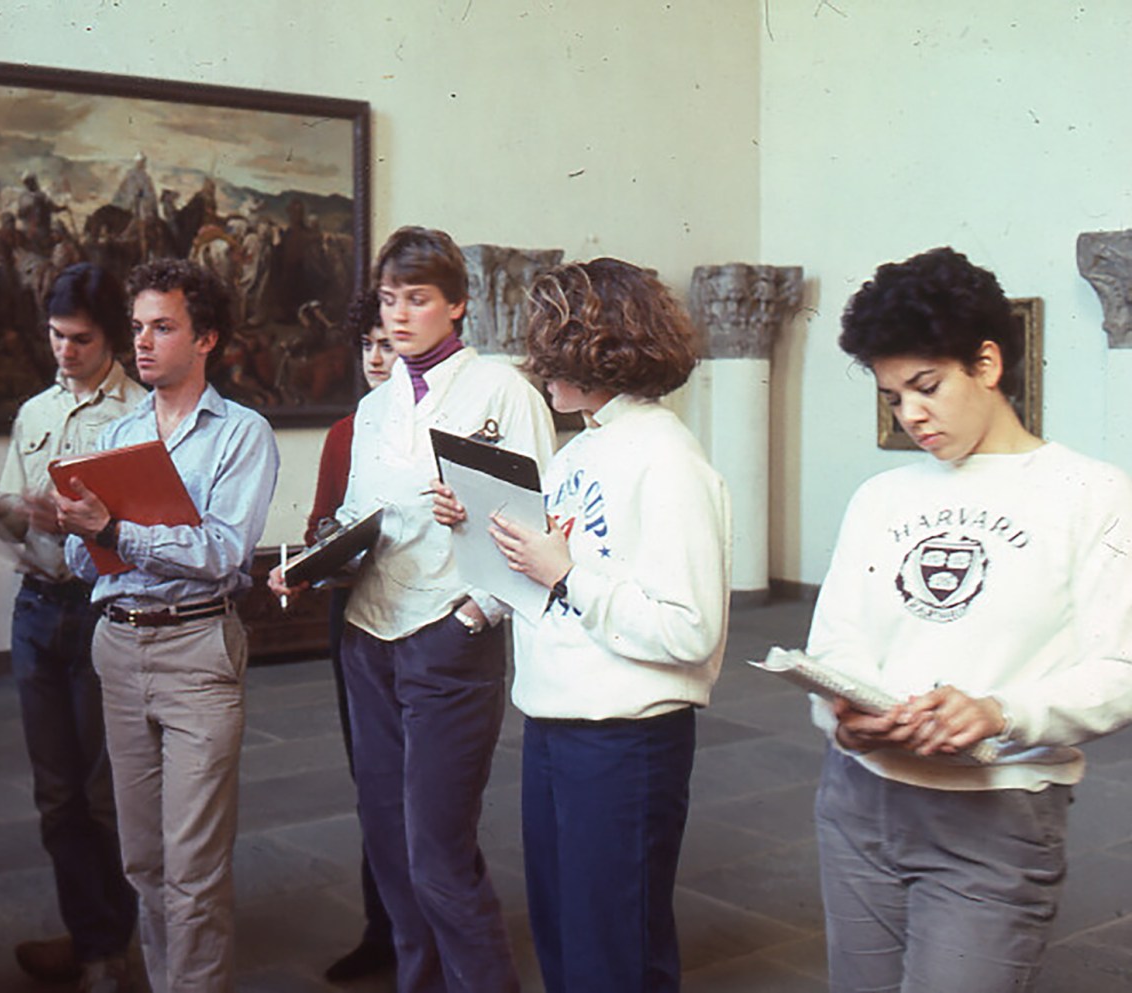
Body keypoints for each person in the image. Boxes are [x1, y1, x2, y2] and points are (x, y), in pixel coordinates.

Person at [806, 247, 1132, 993]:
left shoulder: (1091, 492)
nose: (910, 413)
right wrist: (844, 717)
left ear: (987, 363)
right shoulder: (881, 497)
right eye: (893, 396)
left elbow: (1120, 670)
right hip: (859, 800)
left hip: (996, 815)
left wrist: (998, 710)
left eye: (926, 386)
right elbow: (836, 644)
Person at [436, 259, 731, 992]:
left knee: (616, 954)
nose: (541, 373)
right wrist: (483, 547)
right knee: (567, 942)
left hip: (625, 738)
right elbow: (552, 569)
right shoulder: (580, 450)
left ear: (602, 352)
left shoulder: (667, 459)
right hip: (557, 722)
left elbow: (689, 629)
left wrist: (564, 572)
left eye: (553, 353)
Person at [276, 226, 555, 993]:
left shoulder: (503, 391)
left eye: (418, 299)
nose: (399, 316)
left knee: (437, 849)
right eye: (390, 299)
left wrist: (478, 612)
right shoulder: (374, 408)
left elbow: (540, 524)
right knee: (389, 841)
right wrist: (314, 565)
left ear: (457, 304)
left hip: (446, 634)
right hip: (370, 631)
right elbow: (365, 523)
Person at [54, 257, 279, 993]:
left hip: (195, 648)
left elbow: (223, 553)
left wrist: (115, 529)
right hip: (118, 645)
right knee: (142, 859)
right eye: (138, 327)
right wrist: (73, 530)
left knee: (193, 867)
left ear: (206, 337)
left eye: (163, 327)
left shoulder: (241, 433)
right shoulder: (119, 431)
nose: (142, 343)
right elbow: (83, 562)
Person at [0, 263, 143, 992]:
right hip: (36, 609)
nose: (64, 350)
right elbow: (19, 506)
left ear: (111, 337)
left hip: (100, 606)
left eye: (79, 338)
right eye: (54, 336)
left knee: (104, 795)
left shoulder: (138, 414)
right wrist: (3, 512)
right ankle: (88, 931)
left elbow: (142, 533)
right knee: (56, 794)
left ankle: (111, 943)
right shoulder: (35, 411)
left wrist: (76, 519)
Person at [301, 288, 398, 984]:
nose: (375, 357)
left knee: (423, 787)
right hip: (355, 611)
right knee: (372, 776)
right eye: (368, 344)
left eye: (388, 343)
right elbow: (320, 524)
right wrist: (326, 548)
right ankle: (382, 927)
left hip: (420, 618)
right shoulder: (345, 432)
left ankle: (424, 926)